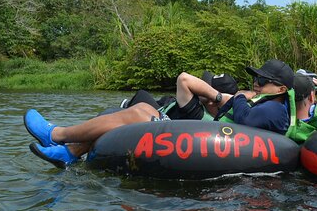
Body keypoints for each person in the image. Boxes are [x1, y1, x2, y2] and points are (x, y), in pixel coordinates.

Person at [24, 70, 238, 168]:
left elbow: (184, 79)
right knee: (143, 106)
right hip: (172, 133)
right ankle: (69, 152)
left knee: (138, 112)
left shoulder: (199, 112)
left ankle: (57, 135)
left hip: (177, 143)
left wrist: (220, 97)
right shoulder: (200, 109)